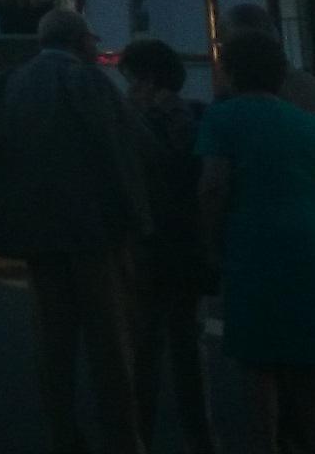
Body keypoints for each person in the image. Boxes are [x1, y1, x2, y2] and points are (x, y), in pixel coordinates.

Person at [0, 3, 149, 454]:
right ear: (79, 41)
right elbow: (120, 150)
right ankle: (123, 436)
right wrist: (138, 218)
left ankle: (62, 432)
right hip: (92, 230)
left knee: (54, 342)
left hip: (34, 231)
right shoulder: (87, 81)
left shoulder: (9, 84)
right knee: (109, 340)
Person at [199, 32, 315, 454]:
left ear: (232, 71)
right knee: (311, 355)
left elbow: (213, 188)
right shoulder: (310, 125)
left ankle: (266, 444)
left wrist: (211, 245)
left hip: (254, 240)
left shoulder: (222, 120)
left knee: (259, 360)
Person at [120, 38, 220, 454]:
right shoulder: (198, 114)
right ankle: (201, 438)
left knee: (143, 347)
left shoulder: (135, 119)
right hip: (188, 241)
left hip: (148, 242)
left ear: (145, 78)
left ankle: (139, 434)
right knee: (186, 348)